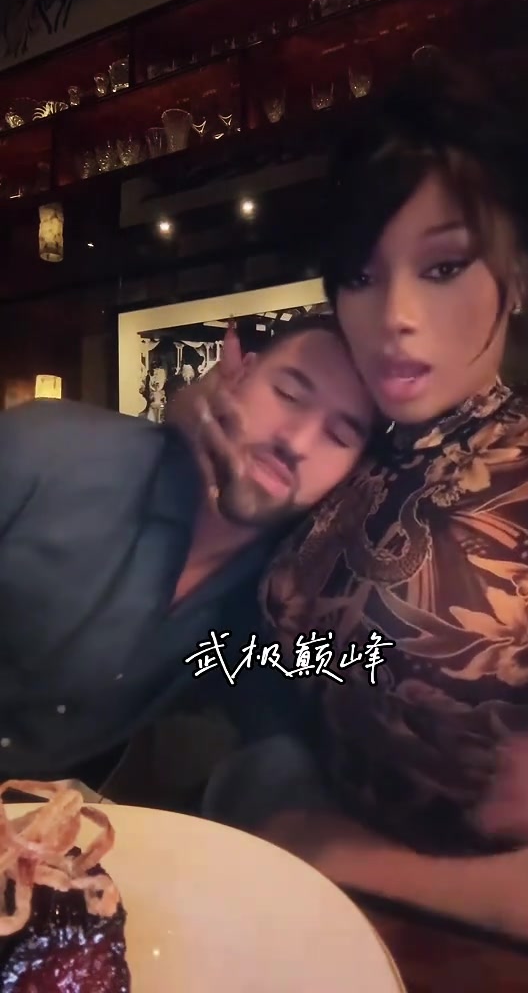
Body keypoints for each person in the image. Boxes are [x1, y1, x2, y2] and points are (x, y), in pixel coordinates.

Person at [205, 58, 528, 949]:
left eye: (443, 266)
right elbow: (253, 666)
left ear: (519, 274)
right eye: (362, 276)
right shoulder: (346, 454)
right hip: (307, 909)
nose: (396, 315)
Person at [0, 314, 374, 789]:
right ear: (238, 374)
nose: (296, 442)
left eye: (339, 436)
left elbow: (270, 736)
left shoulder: (275, 594)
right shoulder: (45, 453)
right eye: (288, 394)